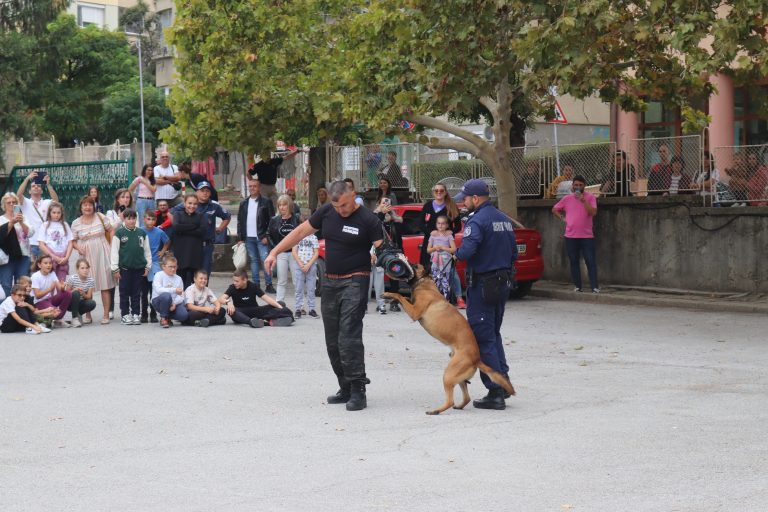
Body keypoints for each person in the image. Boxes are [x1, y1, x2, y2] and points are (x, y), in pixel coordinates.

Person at [265, 180, 384, 411]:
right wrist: (274, 252)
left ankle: (358, 389)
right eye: (337, 206)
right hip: (330, 281)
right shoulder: (327, 212)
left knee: (348, 336)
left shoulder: (368, 219)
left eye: (345, 205)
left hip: (356, 279)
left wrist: (390, 259)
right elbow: (300, 232)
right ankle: (345, 387)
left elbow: (384, 248)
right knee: (332, 341)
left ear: (353, 195)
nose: (341, 211)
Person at [453, 179, 518, 410]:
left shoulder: (477, 220)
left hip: (483, 285)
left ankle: (495, 390)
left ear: (475, 198)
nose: (463, 202)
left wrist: (456, 252)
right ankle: (504, 382)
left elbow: (466, 251)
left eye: (465, 198)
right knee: (494, 334)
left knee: (483, 338)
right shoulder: (503, 219)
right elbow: (513, 252)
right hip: (502, 283)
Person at [417, 183, 464, 308]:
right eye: (436, 190)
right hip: (430, 242)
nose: (439, 192)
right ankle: (428, 298)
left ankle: (459, 298)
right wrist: (431, 232)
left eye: (441, 190)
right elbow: (420, 223)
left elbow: (458, 226)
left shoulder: (451, 206)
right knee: (427, 269)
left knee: (451, 271)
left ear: (445, 192)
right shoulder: (428, 206)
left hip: (446, 244)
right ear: (433, 192)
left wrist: (449, 232)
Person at [71, 196, 115, 324]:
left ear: (94, 206)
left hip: (102, 252)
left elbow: (111, 230)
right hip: (86, 256)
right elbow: (72, 241)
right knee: (85, 285)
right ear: (81, 207)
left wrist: (111, 244)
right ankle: (87, 314)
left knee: (105, 285)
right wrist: (78, 247)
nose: (87, 207)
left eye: (90, 204)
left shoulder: (100, 216)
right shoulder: (76, 222)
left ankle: (106, 315)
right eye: (84, 205)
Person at [552, 174, 599, 293]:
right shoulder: (567, 198)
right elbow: (555, 209)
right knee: (574, 261)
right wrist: (563, 218)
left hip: (587, 236)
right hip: (571, 236)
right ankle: (578, 286)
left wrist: (583, 200)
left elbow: (593, 212)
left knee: (590, 261)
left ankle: (594, 287)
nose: (578, 187)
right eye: (576, 185)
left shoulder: (590, 197)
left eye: (580, 185)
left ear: (584, 186)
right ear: (572, 186)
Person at [171, 181, 230, 275]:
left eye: (207, 191)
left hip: (206, 244)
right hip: (191, 244)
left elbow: (227, 217)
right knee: (189, 273)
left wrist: (220, 229)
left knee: (204, 273)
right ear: (197, 192)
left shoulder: (214, 205)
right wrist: (178, 226)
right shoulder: (190, 203)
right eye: (202, 191)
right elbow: (171, 213)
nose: (205, 193)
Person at [110, 209, 152, 326]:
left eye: (133, 218)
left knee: (136, 293)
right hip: (124, 269)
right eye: (129, 218)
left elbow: (147, 251)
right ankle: (125, 315)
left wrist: (147, 266)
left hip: (139, 269)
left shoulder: (142, 233)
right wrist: (115, 268)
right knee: (124, 292)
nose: (131, 221)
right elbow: (114, 252)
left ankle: (135, 314)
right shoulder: (119, 233)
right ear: (124, 219)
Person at [237, 179, 276, 294]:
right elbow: (240, 221)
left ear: (259, 188)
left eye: (255, 186)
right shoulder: (243, 203)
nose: (252, 188)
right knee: (253, 261)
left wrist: (267, 236)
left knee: (265, 260)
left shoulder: (266, 201)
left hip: (261, 237)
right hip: (248, 238)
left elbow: (272, 221)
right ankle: (256, 285)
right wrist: (240, 238)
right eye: (250, 186)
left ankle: (269, 284)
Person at [218, 269, 294, 327]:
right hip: (240, 313)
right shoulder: (232, 287)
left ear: (245, 280)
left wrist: (280, 307)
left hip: (255, 311)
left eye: (237, 281)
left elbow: (266, 298)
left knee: (280, 303)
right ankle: (251, 322)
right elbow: (221, 299)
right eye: (234, 281)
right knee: (230, 310)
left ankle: (266, 322)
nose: (234, 283)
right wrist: (228, 302)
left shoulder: (253, 286)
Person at [16, 169, 59, 263]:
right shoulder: (26, 202)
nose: (36, 187)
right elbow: (18, 195)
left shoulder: (46, 202)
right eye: (33, 186)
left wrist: (48, 184)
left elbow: (56, 201)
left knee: (45, 269)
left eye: (38, 186)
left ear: (42, 191)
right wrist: (27, 179)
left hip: (44, 243)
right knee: (30, 270)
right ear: (29, 191)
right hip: (29, 243)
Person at [371, 196, 403, 312]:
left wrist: (394, 219)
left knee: (394, 276)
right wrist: (380, 213)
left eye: (388, 203)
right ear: (378, 204)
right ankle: (381, 303)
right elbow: (373, 228)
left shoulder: (395, 218)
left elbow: (400, 235)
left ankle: (394, 302)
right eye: (383, 203)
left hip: (393, 251)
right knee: (378, 278)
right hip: (379, 251)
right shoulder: (374, 217)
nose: (386, 205)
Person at [0, 193, 34, 297]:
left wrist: (21, 222)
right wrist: (11, 223)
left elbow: (30, 233)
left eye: (14, 202)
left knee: (22, 284)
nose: (11, 204)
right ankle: (6, 306)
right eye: (8, 202)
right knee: (6, 284)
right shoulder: (1, 219)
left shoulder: (23, 218)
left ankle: (20, 305)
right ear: (4, 205)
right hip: (7, 257)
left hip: (23, 255)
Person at [268, 194, 300, 304]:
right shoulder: (274, 220)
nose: (282, 207)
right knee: (281, 280)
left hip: (295, 253)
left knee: (297, 280)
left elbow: (302, 234)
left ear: (289, 205)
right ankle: (279, 303)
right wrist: (275, 249)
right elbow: (269, 235)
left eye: (284, 205)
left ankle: (299, 305)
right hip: (281, 253)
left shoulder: (296, 219)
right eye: (280, 205)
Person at [140, 210, 170, 323]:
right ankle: (143, 314)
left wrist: (162, 251)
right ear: (144, 219)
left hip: (155, 263)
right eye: (148, 219)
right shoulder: (139, 231)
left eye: (153, 219)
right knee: (143, 291)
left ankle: (153, 314)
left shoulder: (159, 232)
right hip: (142, 264)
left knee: (154, 290)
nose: (151, 221)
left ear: (156, 220)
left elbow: (167, 241)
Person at [170, 194, 205, 289]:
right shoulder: (178, 214)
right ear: (184, 203)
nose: (192, 206)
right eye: (189, 203)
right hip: (181, 253)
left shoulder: (200, 216)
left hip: (195, 253)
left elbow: (202, 231)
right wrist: (194, 226)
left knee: (195, 282)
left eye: (195, 204)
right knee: (180, 281)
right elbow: (176, 227)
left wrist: (183, 229)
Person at [31, 254, 73, 327]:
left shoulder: (52, 273)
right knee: (55, 312)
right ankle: (48, 318)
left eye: (50, 263)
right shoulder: (35, 276)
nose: (48, 265)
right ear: (39, 265)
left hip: (49, 300)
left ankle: (58, 319)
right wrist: (50, 289)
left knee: (67, 293)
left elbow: (60, 288)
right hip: (39, 302)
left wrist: (63, 287)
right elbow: (37, 296)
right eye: (45, 263)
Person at [291, 211, 319, 319]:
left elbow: (316, 253)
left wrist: (308, 265)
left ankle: (312, 309)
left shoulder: (314, 238)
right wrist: (300, 264)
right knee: (299, 288)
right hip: (299, 266)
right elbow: (294, 251)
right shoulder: (297, 236)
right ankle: (298, 309)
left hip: (311, 266)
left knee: (311, 289)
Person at [37, 202, 73, 282]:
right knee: (49, 281)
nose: (56, 215)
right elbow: (41, 244)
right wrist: (53, 256)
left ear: (61, 213)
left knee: (61, 282)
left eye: (58, 213)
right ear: (49, 213)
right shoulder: (45, 225)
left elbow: (70, 242)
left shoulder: (65, 225)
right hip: (50, 258)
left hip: (63, 257)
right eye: (54, 212)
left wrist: (66, 257)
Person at [151, 254, 189, 328]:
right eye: (170, 267)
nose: (173, 269)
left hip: (173, 303)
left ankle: (167, 316)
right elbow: (159, 290)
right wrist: (174, 290)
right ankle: (164, 318)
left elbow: (181, 295)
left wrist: (174, 303)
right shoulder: (158, 275)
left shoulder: (179, 278)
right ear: (163, 266)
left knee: (184, 315)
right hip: (159, 301)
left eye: (175, 267)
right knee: (166, 295)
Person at [427, 215, 457, 301]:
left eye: (443, 223)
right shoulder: (433, 235)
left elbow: (454, 249)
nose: (440, 225)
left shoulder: (449, 236)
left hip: (445, 261)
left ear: (447, 225)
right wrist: (434, 248)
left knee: (445, 281)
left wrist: (443, 247)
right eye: (439, 223)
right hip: (435, 262)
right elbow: (428, 250)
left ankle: (446, 300)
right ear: (436, 224)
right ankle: (436, 299)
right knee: (436, 280)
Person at [65, 258, 97, 327]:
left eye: (87, 268)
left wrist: (83, 294)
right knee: (76, 293)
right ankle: (74, 318)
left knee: (92, 303)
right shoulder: (72, 278)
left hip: (82, 302)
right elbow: (66, 294)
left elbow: (89, 296)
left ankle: (78, 314)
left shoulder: (90, 280)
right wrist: (74, 290)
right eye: (82, 268)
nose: (85, 270)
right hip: (71, 303)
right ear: (77, 270)